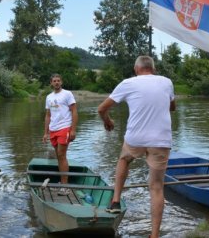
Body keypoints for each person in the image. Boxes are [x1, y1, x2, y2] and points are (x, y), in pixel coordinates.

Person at [97, 55, 176, 238]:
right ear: (153, 69)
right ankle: (154, 235)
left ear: (136, 69)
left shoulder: (128, 83)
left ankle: (116, 199)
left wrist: (107, 121)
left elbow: (102, 108)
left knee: (124, 159)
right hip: (161, 140)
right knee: (156, 187)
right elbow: (172, 107)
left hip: (136, 138)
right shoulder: (167, 82)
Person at [43, 73, 78, 196]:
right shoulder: (48, 97)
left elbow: (74, 111)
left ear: (61, 82)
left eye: (58, 80)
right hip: (53, 129)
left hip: (65, 127)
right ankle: (62, 182)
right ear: (51, 83)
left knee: (61, 155)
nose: (56, 82)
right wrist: (45, 133)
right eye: (54, 81)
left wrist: (73, 130)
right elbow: (48, 115)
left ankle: (65, 186)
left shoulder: (67, 94)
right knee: (59, 156)